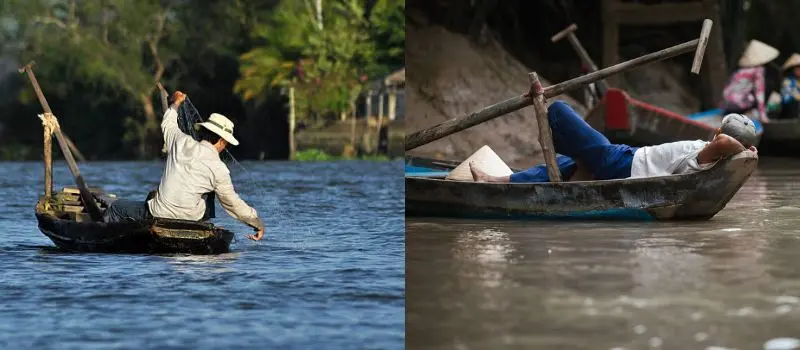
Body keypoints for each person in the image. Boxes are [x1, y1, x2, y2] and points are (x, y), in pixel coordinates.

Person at [103, 91, 266, 241]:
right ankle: (204, 222)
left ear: (204, 132)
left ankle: (102, 237)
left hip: (158, 213)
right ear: (222, 141)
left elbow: (168, 124)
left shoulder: (180, 141)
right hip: (191, 218)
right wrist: (256, 222)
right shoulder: (219, 169)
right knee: (213, 190)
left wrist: (175, 103)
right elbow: (232, 203)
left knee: (116, 207)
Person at [469, 101, 757, 183]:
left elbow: (719, 147)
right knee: (565, 165)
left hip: (621, 163)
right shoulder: (709, 155)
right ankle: (504, 181)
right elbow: (721, 148)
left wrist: (734, 146)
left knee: (557, 110)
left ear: (719, 135)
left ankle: (580, 160)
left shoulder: (709, 154)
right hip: (626, 157)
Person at [720, 39, 779, 123]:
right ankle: (748, 115)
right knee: (774, 98)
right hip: (740, 105)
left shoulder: (740, 69)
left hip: (727, 103)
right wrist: (763, 116)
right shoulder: (759, 70)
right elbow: (759, 92)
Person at [777, 53, 800, 119]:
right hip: (790, 108)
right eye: (797, 68)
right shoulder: (787, 81)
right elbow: (786, 98)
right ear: (793, 69)